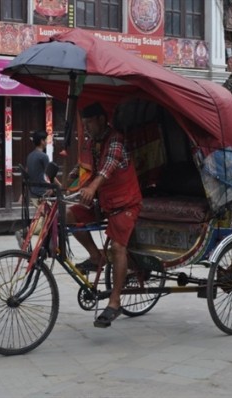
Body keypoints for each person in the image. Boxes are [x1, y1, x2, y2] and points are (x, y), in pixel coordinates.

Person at [66, 102, 143, 328]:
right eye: (85, 124)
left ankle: (115, 301)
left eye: (89, 123)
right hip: (103, 202)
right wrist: (63, 185)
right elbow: (81, 169)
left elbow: (108, 167)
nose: (87, 128)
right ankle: (95, 256)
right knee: (71, 215)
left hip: (125, 202)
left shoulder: (116, 139)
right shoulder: (91, 143)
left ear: (101, 120)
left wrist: (92, 187)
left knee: (118, 248)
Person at [15, 130, 60, 247]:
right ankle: (24, 232)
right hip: (42, 192)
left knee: (44, 217)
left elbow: (27, 173)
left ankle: (43, 243)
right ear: (41, 141)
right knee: (49, 216)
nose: (47, 142)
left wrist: (23, 193)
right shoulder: (43, 156)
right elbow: (49, 174)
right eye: (46, 140)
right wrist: (59, 186)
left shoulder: (30, 156)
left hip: (32, 192)